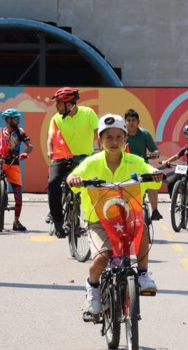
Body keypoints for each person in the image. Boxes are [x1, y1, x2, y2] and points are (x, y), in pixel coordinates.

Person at [67, 114, 163, 314]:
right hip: (98, 221)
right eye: (108, 137)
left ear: (126, 139)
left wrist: (153, 173)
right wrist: (74, 179)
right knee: (102, 259)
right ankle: (92, 286)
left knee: (142, 227)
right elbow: (74, 176)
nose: (114, 141)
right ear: (100, 140)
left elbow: (150, 173)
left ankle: (143, 274)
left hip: (127, 217)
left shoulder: (134, 161)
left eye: (119, 136)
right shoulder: (92, 162)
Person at [46, 87, 98, 239]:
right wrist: (50, 150)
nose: (56, 107)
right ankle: (57, 220)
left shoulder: (88, 113)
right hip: (61, 157)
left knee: (94, 185)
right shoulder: (56, 118)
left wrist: (103, 149)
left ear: (69, 105)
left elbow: (98, 133)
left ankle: (91, 220)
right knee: (53, 183)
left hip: (84, 159)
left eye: (59, 104)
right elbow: (50, 138)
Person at [123, 109, 162, 221]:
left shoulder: (144, 134)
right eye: (128, 120)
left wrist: (154, 154)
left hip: (142, 166)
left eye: (133, 120)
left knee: (153, 179)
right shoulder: (121, 134)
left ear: (138, 121)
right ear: (125, 122)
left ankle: (154, 210)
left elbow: (155, 150)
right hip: (125, 167)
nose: (131, 123)